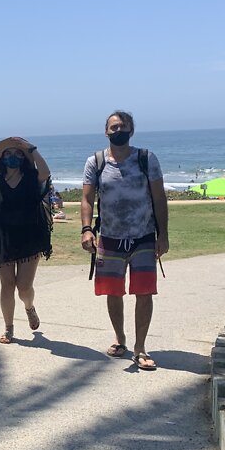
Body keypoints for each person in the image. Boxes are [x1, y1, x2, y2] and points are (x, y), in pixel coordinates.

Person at [80, 110, 169, 371]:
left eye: (123, 126)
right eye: (113, 127)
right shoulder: (95, 162)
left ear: (131, 130)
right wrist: (87, 229)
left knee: (144, 292)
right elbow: (86, 199)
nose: (118, 131)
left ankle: (140, 348)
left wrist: (162, 234)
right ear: (106, 132)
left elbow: (159, 198)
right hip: (109, 238)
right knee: (113, 291)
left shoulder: (146, 159)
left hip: (143, 237)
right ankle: (120, 338)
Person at [0, 137, 53, 344]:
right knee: (7, 285)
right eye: (8, 154)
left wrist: (32, 149)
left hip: (30, 238)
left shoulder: (31, 177)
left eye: (18, 153)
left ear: (24, 158)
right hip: (3, 240)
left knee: (24, 287)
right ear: (2, 159)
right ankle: (8, 328)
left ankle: (29, 307)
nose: (13, 157)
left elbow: (46, 173)